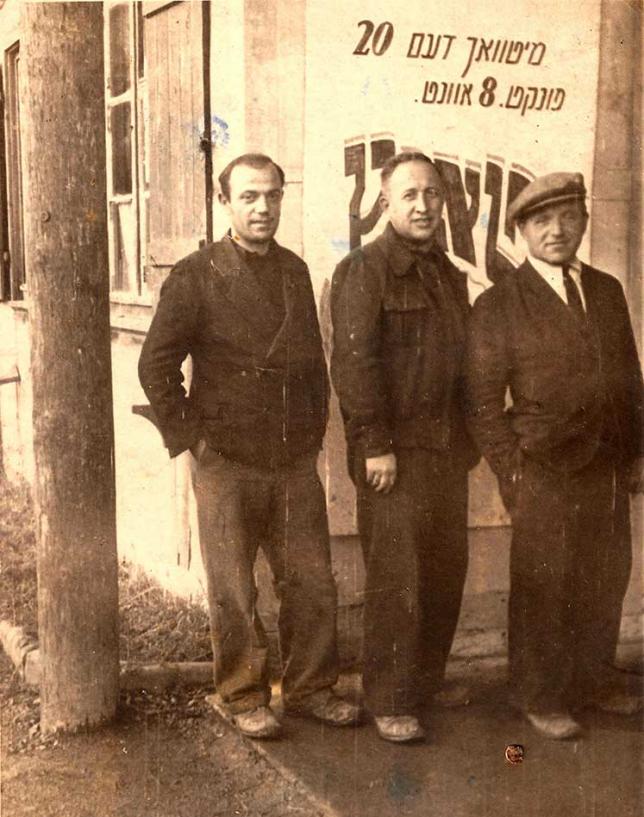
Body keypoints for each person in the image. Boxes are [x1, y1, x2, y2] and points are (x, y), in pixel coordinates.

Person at [138, 153, 360, 739]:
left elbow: (313, 365)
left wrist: (311, 436)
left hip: (291, 463)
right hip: (227, 462)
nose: (263, 208)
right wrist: (194, 440)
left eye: (272, 196)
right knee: (234, 589)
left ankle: (312, 688)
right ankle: (241, 694)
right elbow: (155, 365)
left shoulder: (294, 271)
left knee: (312, 582)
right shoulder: (196, 274)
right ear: (225, 202)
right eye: (249, 197)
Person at [465, 172, 643, 739]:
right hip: (543, 467)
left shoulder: (607, 289)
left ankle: (592, 679)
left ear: (584, 221)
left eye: (568, 216)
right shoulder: (499, 303)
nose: (557, 229)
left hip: (606, 466)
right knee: (546, 582)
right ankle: (538, 694)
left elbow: (631, 381)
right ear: (520, 232)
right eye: (542, 221)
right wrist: (510, 469)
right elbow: (483, 402)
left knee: (604, 574)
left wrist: (637, 455)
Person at [330, 151, 477, 743]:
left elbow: (465, 365)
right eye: (410, 195)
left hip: (445, 454)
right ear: (384, 202)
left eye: (433, 196)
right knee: (398, 579)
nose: (423, 206)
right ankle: (391, 696)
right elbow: (355, 364)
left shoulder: (447, 272)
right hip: (394, 457)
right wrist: (375, 445)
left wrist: (469, 444)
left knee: (446, 571)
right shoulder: (364, 270)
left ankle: (426, 680)